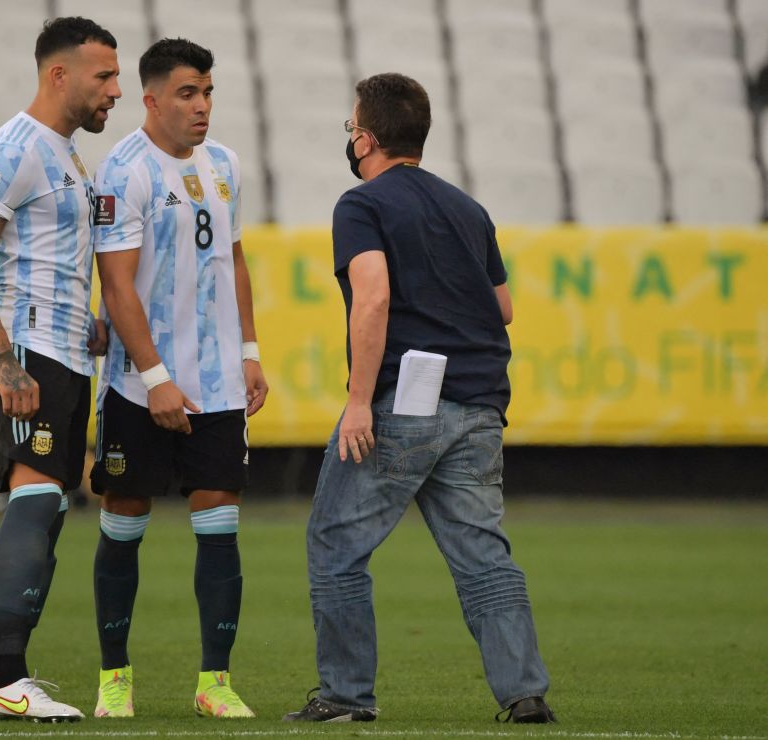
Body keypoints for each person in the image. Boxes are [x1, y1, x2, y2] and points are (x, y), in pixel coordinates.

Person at [283, 73, 556, 724]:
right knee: (482, 553)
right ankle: (524, 693)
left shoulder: (362, 205)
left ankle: (347, 697)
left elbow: (373, 297)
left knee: (336, 544)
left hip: (408, 398)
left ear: (367, 139)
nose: (350, 140)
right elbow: (504, 308)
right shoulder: (467, 209)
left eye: (352, 129)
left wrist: (357, 401)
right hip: (481, 400)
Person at [89, 38, 268, 720]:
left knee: (220, 524)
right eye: (189, 93)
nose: (203, 106)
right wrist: (157, 377)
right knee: (125, 521)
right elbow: (118, 283)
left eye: (210, 92)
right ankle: (115, 678)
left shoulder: (225, 165)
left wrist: (249, 349)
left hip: (220, 385)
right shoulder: (124, 171)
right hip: (140, 387)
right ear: (153, 98)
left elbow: (236, 260)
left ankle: (214, 683)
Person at [0, 16, 120, 723]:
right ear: (59, 75)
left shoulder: (65, 154)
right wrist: (4, 362)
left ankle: (1, 681)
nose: (115, 90)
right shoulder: (16, 149)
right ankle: (9, 677)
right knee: (39, 498)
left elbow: (43, 262)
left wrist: (91, 326)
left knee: (48, 510)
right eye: (103, 77)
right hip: (31, 358)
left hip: (65, 351)